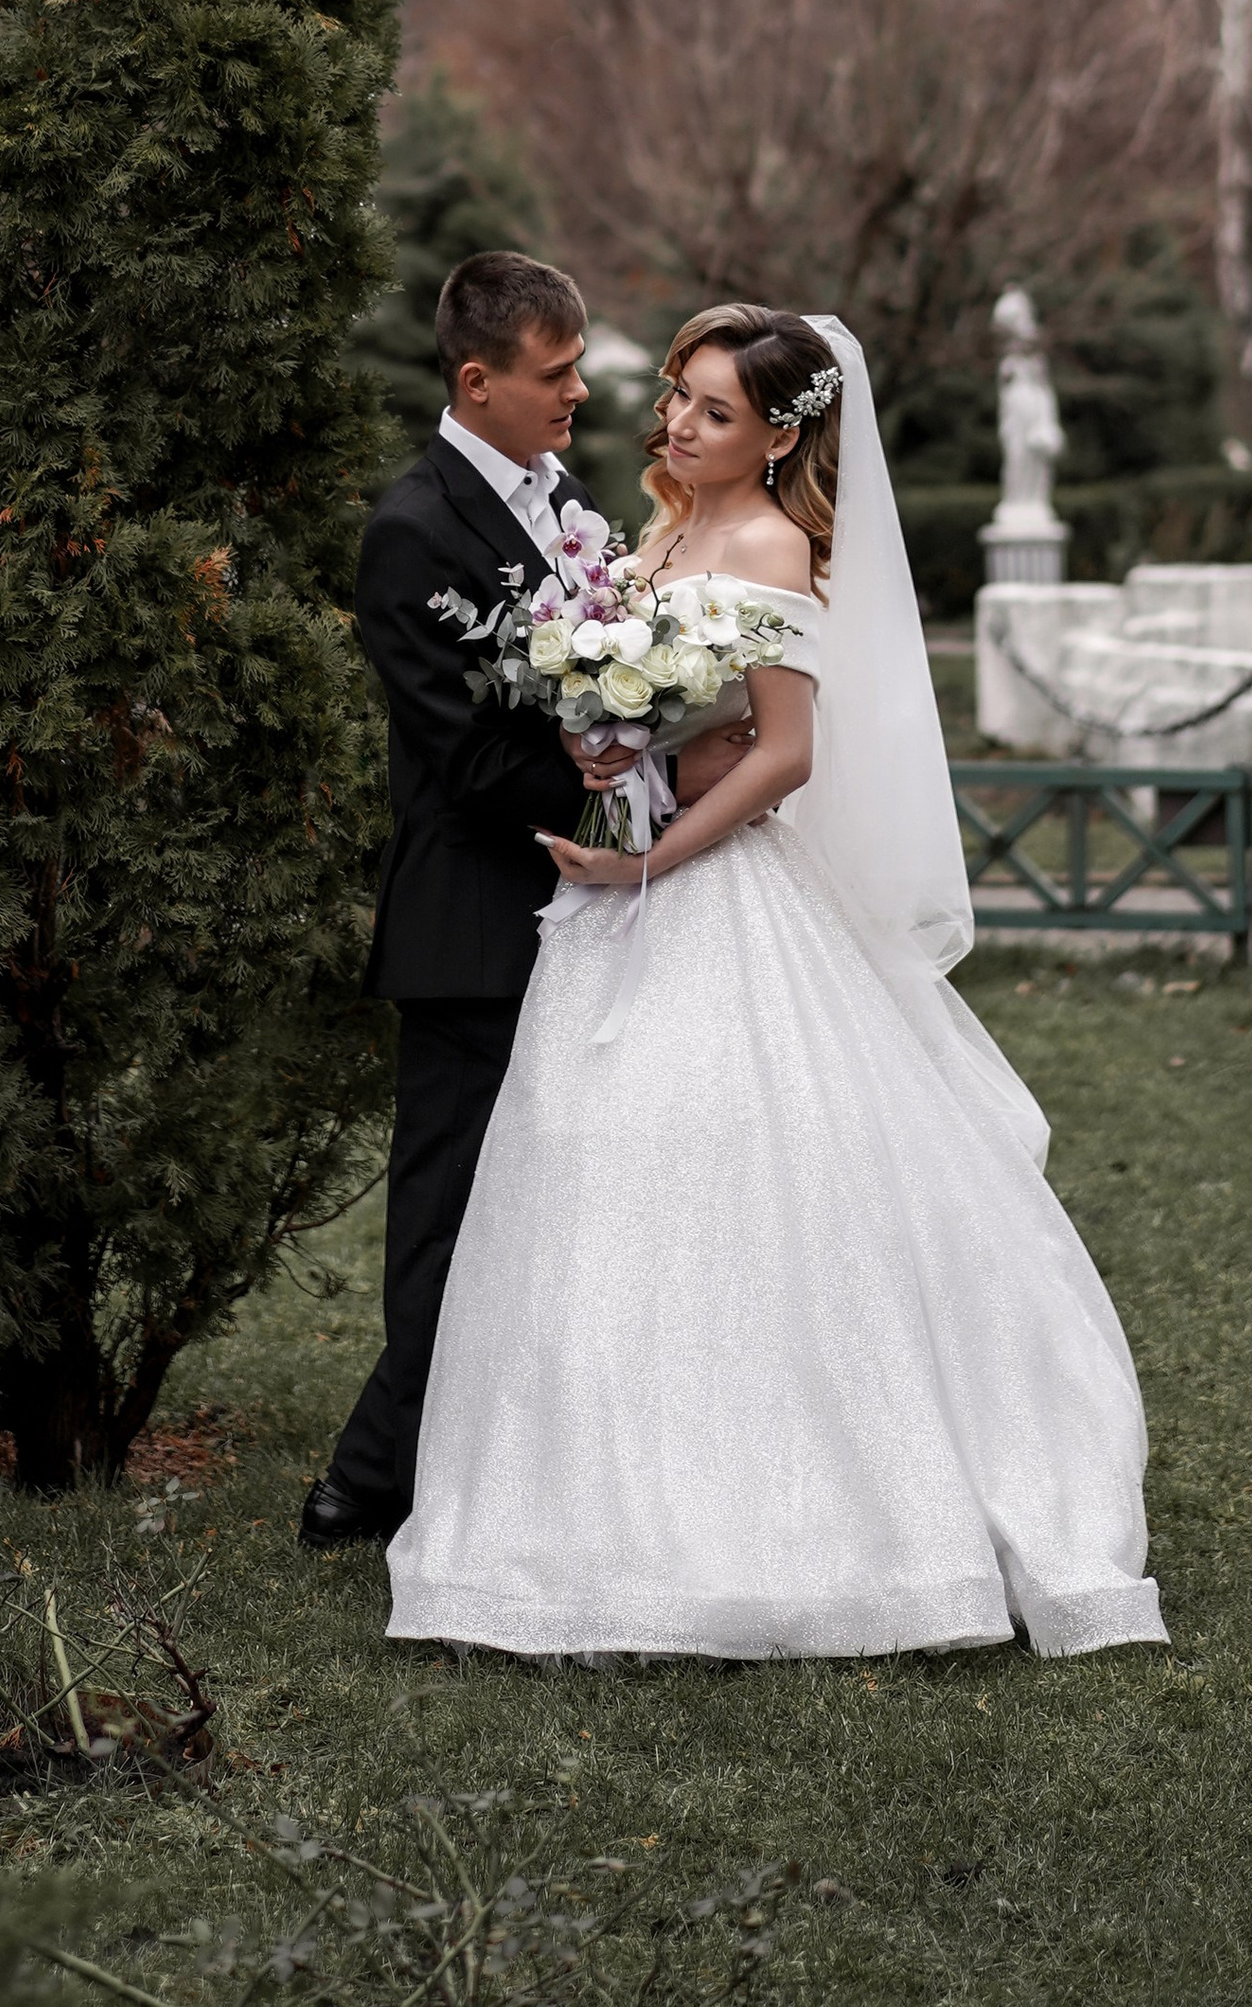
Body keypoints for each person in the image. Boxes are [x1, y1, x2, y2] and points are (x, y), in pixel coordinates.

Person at [384, 302, 1167, 1660]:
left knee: (735, 1172)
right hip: (612, 905)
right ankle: (575, 1505)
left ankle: (798, 1508)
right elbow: (648, 711)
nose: (680, 425)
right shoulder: (651, 532)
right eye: (679, 398)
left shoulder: (771, 545)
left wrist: (651, 854)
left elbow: (786, 752)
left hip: (715, 894)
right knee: (591, 1175)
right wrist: (603, 753)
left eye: (717, 412)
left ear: (782, 436)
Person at [298, 249, 747, 1551]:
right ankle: (370, 1477)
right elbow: (465, 754)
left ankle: (495, 1454)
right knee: (449, 1213)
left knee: (557, 1206)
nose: (578, 393)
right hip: (476, 920)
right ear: (477, 380)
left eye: (578, 366)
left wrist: (653, 740)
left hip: (586, 906)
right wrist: (623, 769)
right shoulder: (413, 528)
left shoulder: (569, 501)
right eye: (555, 373)